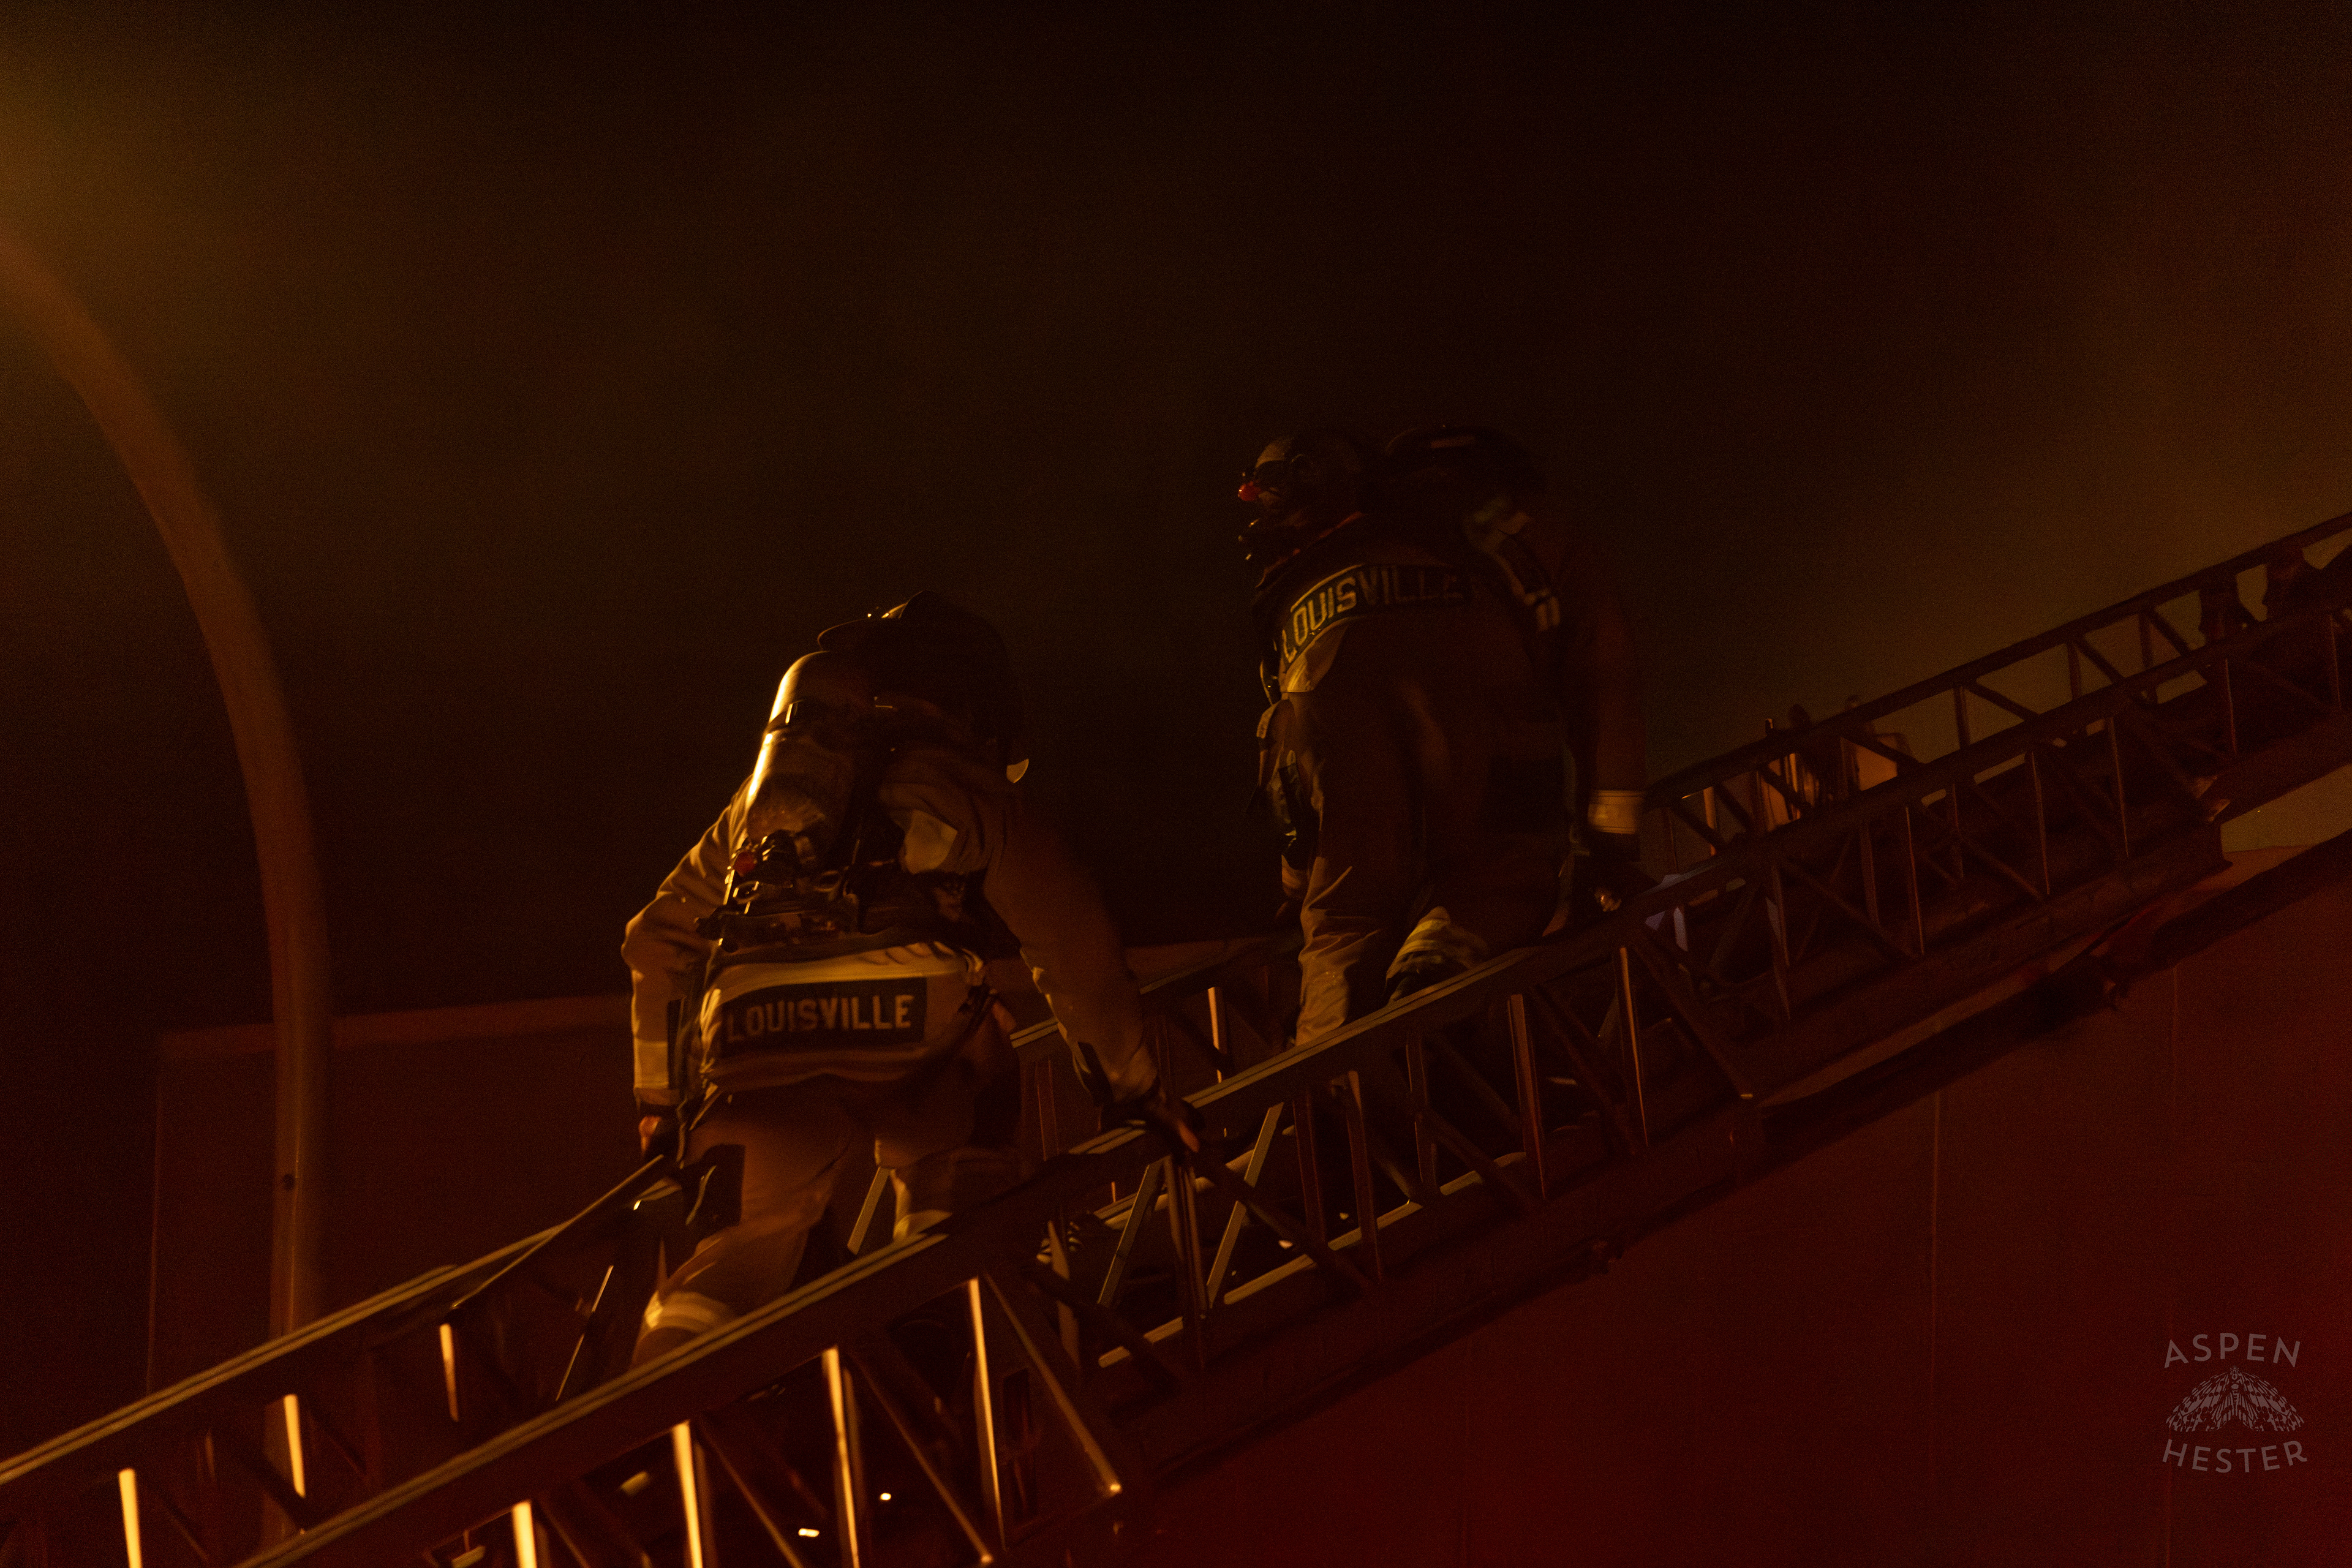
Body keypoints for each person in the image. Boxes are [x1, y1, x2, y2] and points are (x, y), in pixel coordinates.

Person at [621, 594, 1175, 1362]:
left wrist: (660, 1101)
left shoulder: (760, 804)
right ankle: (941, 1314)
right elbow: (1073, 944)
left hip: (751, 1035)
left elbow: (656, 940)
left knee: (734, 1254)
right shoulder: (970, 786)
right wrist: (1131, 1085)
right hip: (914, 1021)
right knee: (973, 1099)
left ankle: (656, 1421)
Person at [1243, 427, 1638, 1047]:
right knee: (1498, 868)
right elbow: (1605, 675)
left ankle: (1332, 1094)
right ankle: (1438, 970)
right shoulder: (1522, 524)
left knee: (1345, 922)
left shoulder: (1315, 562)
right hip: (1466, 693)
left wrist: (1296, 887)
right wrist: (1612, 847)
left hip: (1320, 690)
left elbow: (1289, 767)